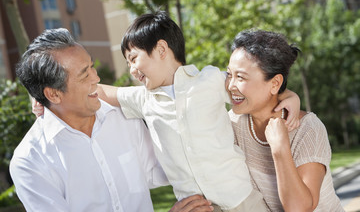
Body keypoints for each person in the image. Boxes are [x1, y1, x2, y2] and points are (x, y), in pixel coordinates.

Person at [95, 11, 301, 211]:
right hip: (197, 207)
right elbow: (102, 91)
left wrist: (291, 96)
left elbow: (255, 89)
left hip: (241, 199)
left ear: (161, 50)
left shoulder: (210, 80)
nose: (131, 69)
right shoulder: (142, 99)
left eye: (133, 58)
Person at [10, 28, 212, 212]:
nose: (96, 78)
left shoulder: (123, 117)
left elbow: (163, 169)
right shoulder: (30, 162)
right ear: (53, 95)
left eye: (91, 67)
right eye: (84, 75)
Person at [226, 30, 344, 211]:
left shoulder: (308, 129)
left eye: (240, 77)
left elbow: (299, 208)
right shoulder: (233, 123)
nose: (230, 85)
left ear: (275, 83)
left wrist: (280, 148)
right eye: (229, 74)